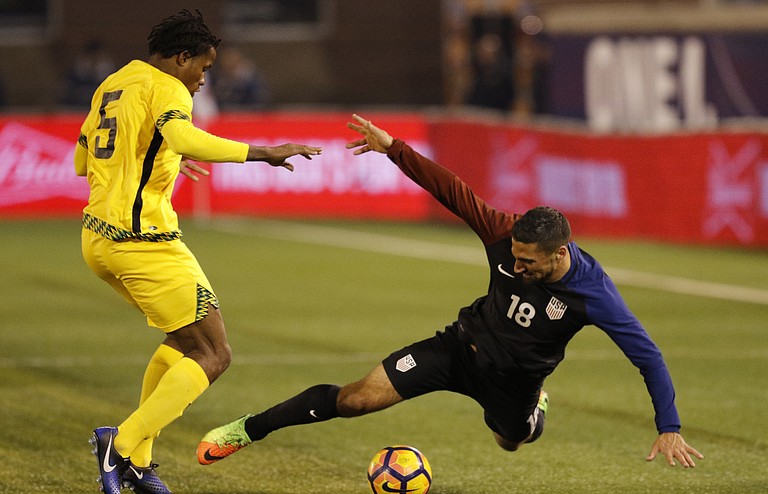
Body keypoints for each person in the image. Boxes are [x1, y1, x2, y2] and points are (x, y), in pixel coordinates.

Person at [196, 114, 703, 471]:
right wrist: (394, 148)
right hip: (458, 349)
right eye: (516, 256)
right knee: (355, 400)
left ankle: (534, 412)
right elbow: (451, 189)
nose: (517, 264)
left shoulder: (595, 294)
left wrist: (669, 424)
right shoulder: (504, 233)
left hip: (514, 383)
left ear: (560, 252)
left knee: (510, 440)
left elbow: (649, 357)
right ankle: (247, 430)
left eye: (529, 261)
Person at [74, 10, 321, 494]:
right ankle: (119, 444)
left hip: (97, 240)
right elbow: (185, 135)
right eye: (202, 69)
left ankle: (138, 459)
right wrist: (262, 153)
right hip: (144, 240)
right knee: (214, 353)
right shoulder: (169, 86)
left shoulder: (114, 83)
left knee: (182, 342)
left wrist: (160, 156)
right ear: (181, 57)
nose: (203, 79)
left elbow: (83, 160)